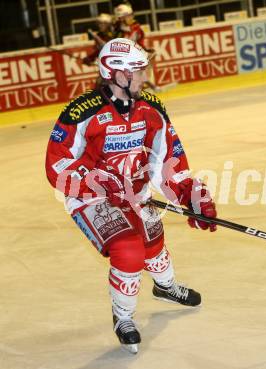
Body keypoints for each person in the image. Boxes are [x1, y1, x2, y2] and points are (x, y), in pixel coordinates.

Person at [45, 38, 217, 354]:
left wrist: (188, 192)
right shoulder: (82, 111)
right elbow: (57, 165)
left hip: (135, 192)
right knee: (129, 250)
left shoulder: (151, 107)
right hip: (91, 197)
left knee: (153, 242)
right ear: (116, 73)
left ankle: (165, 288)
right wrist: (95, 181)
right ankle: (123, 317)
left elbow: (167, 155)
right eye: (137, 70)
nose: (143, 76)